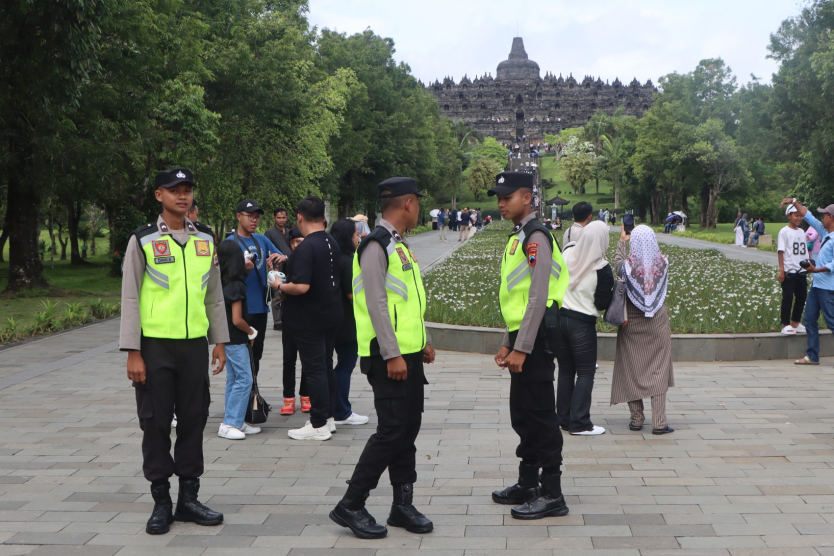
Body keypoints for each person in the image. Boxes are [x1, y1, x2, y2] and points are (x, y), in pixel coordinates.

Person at [119, 168, 228, 535]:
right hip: (155, 348)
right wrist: (133, 351)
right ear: (158, 196)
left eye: (187, 190)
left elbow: (213, 294)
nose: (182, 196)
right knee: (155, 422)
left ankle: (189, 499)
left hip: (194, 346)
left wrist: (221, 342)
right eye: (174, 190)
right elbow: (131, 297)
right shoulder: (144, 239)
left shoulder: (205, 239)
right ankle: (161, 501)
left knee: (195, 419)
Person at [330, 177, 435, 539]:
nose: (418, 208)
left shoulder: (398, 245)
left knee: (407, 430)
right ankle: (352, 503)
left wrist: (423, 340)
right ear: (407, 203)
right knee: (391, 432)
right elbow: (376, 303)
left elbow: (406, 300)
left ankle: (402, 505)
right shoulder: (377, 245)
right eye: (417, 202)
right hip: (388, 356)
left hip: (408, 353)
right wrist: (392, 353)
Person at [489, 171, 570, 520]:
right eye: (499, 197)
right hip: (524, 336)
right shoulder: (519, 237)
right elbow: (518, 299)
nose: (501, 203)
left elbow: (538, 297)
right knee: (522, 412)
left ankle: (552, 492)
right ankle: (528, 482)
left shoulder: (536, 236)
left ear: (528, 197)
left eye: (508, 197)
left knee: (540, 414)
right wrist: (509, 343)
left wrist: (522, 346)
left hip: (537, 338)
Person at [278, 197, 343, 440]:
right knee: (325, 367)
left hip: (309, 317)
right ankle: (327, 418)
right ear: (323, 217)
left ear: (300, 216)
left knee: (315, 369)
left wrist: (280, 285)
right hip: (330, 314)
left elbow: (301, 286)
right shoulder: (331, 242)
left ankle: (317, 425)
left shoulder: (306, 247)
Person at [610, 224, 675, 434]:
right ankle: (659, 422)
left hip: (632, 322)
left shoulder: (626, 266)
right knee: (659, 369)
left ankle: (637, 418)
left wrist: (622, 241)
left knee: (631, 368)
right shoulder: (663, 262)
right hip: (657, 321)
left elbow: (617, 262)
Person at [557, 221, 613, 436]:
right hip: (582, 323)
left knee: (565, 370)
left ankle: (563, 418)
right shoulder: (601, 267)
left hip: (561, 320)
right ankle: (580, 422)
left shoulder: (566, 255)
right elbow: (601, 303)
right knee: (586, 372)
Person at [227, 200, 285, 376]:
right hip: (239, 309)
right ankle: (245, 398)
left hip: (260, 308)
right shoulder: (230, 243)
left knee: (256, 355)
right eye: (250, 217)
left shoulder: (261, 239)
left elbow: (283, 255)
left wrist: (279, 259)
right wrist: (240, 269)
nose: (254, 221)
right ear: (238, 216)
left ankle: (254, 395)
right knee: (241, 356)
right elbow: (222, 276)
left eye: (257, 217)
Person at [215, 240, 261, 440]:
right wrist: (251, 331)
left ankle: (236, 419)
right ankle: (230, 423)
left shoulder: (222, 281)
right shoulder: (237, 285)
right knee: (245, 379)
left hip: (227, 339)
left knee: (234, 379)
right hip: (236, 338)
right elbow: (237, 319)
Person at [780, 198, 834, 365]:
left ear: (831, 217)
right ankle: (812, 355)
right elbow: (808, 216)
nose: (821, 219)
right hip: (817, 286)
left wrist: (815, 270)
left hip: (827, 287)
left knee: (831, 320)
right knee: (810, 319)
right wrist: (794, 202)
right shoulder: (825, 233)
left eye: (824, 215)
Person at [329, 218, 370, 426]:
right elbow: (351, 294)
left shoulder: (332, 258)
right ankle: (341, 410)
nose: (359, 237)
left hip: (333, 320)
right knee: (345, 365)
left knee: (335, 365)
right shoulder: (348, 260)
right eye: (355, 234)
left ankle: (333, 406)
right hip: (347, 322)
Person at [279, 226, 309, 415]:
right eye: (296, 241)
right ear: (290, 244)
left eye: (302, 241)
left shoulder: (310, 262)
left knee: (307, 359)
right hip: (289, 317)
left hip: (307, 317)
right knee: (288, 359)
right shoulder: (285, 263)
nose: (299, 245)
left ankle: (306, 396)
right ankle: (288, 399)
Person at [777, 205, 809, 335]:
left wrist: (808, 264)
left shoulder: (801, 232)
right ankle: (785, 324)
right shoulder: (784, 231)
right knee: (788, 298)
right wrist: (781, 270)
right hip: (789, 271)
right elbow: (781, 251)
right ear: (789, 216)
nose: (799, 218)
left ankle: (795, 321)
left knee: (802, 297)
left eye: (800, 216)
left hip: (801, 270)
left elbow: (804, 250)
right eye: (796, 215)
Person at [265, 207, 292, 331]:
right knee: (277, 294)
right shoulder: (269, 233)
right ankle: (277, 321)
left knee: (288, 291)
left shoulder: (289, 232)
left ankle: (287, 317)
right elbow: (266, 250)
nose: (281, 220)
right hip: (277, 265)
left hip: (290, 263)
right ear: (274, 218)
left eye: (283, 217)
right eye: (279, 217)